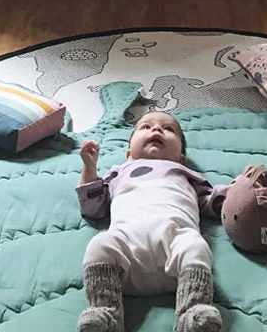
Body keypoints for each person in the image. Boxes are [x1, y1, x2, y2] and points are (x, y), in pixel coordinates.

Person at [76, 111, 227, 332]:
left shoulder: (185, 173)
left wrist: (237, 193)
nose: (156, 129)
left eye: (168, 129)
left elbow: (211, 202)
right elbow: (93, 208)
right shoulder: (118, 173)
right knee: (100, 245)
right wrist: (89, 169)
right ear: (129, 153)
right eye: (145, 127)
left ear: (181, 156)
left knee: (195, 246)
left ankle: (192, 313)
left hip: (175, 246)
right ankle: (106, 312)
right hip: (125, 252)